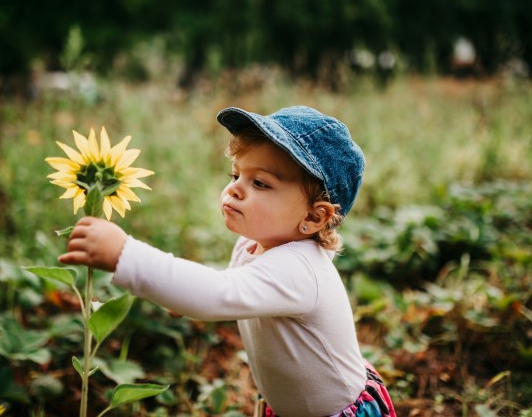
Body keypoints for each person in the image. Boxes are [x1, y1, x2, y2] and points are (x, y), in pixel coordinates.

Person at [59, 105, 397, 417]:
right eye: (235, 175)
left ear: (314, 216)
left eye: (260, 183)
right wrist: (180, 298)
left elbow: (216, 294)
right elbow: (223, 288)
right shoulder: (252, 244)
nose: (235, 190)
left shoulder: (300, 269)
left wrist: (125, 253)